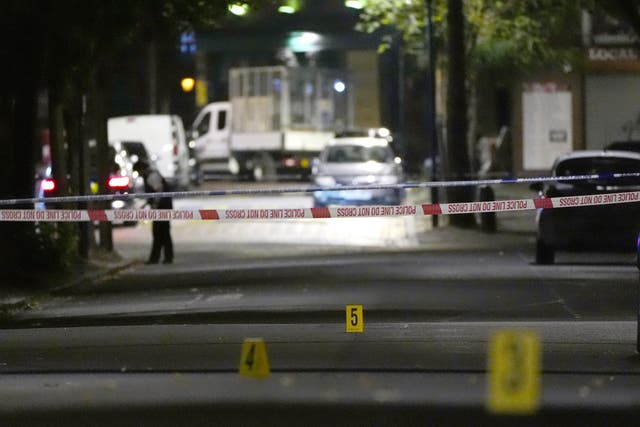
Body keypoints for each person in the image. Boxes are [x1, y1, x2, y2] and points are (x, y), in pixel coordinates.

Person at [134, 160, 174, 264]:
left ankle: (157, 258)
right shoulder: (152, 175)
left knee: (160, 232)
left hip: (162, 208)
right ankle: (164, 257)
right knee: (162, 232)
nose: (139, 175)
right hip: (163, 207)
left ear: (142, 169)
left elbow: (158, 191)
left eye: (139, 172)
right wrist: (146, 204)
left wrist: (155, 206)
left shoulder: (152, 176)